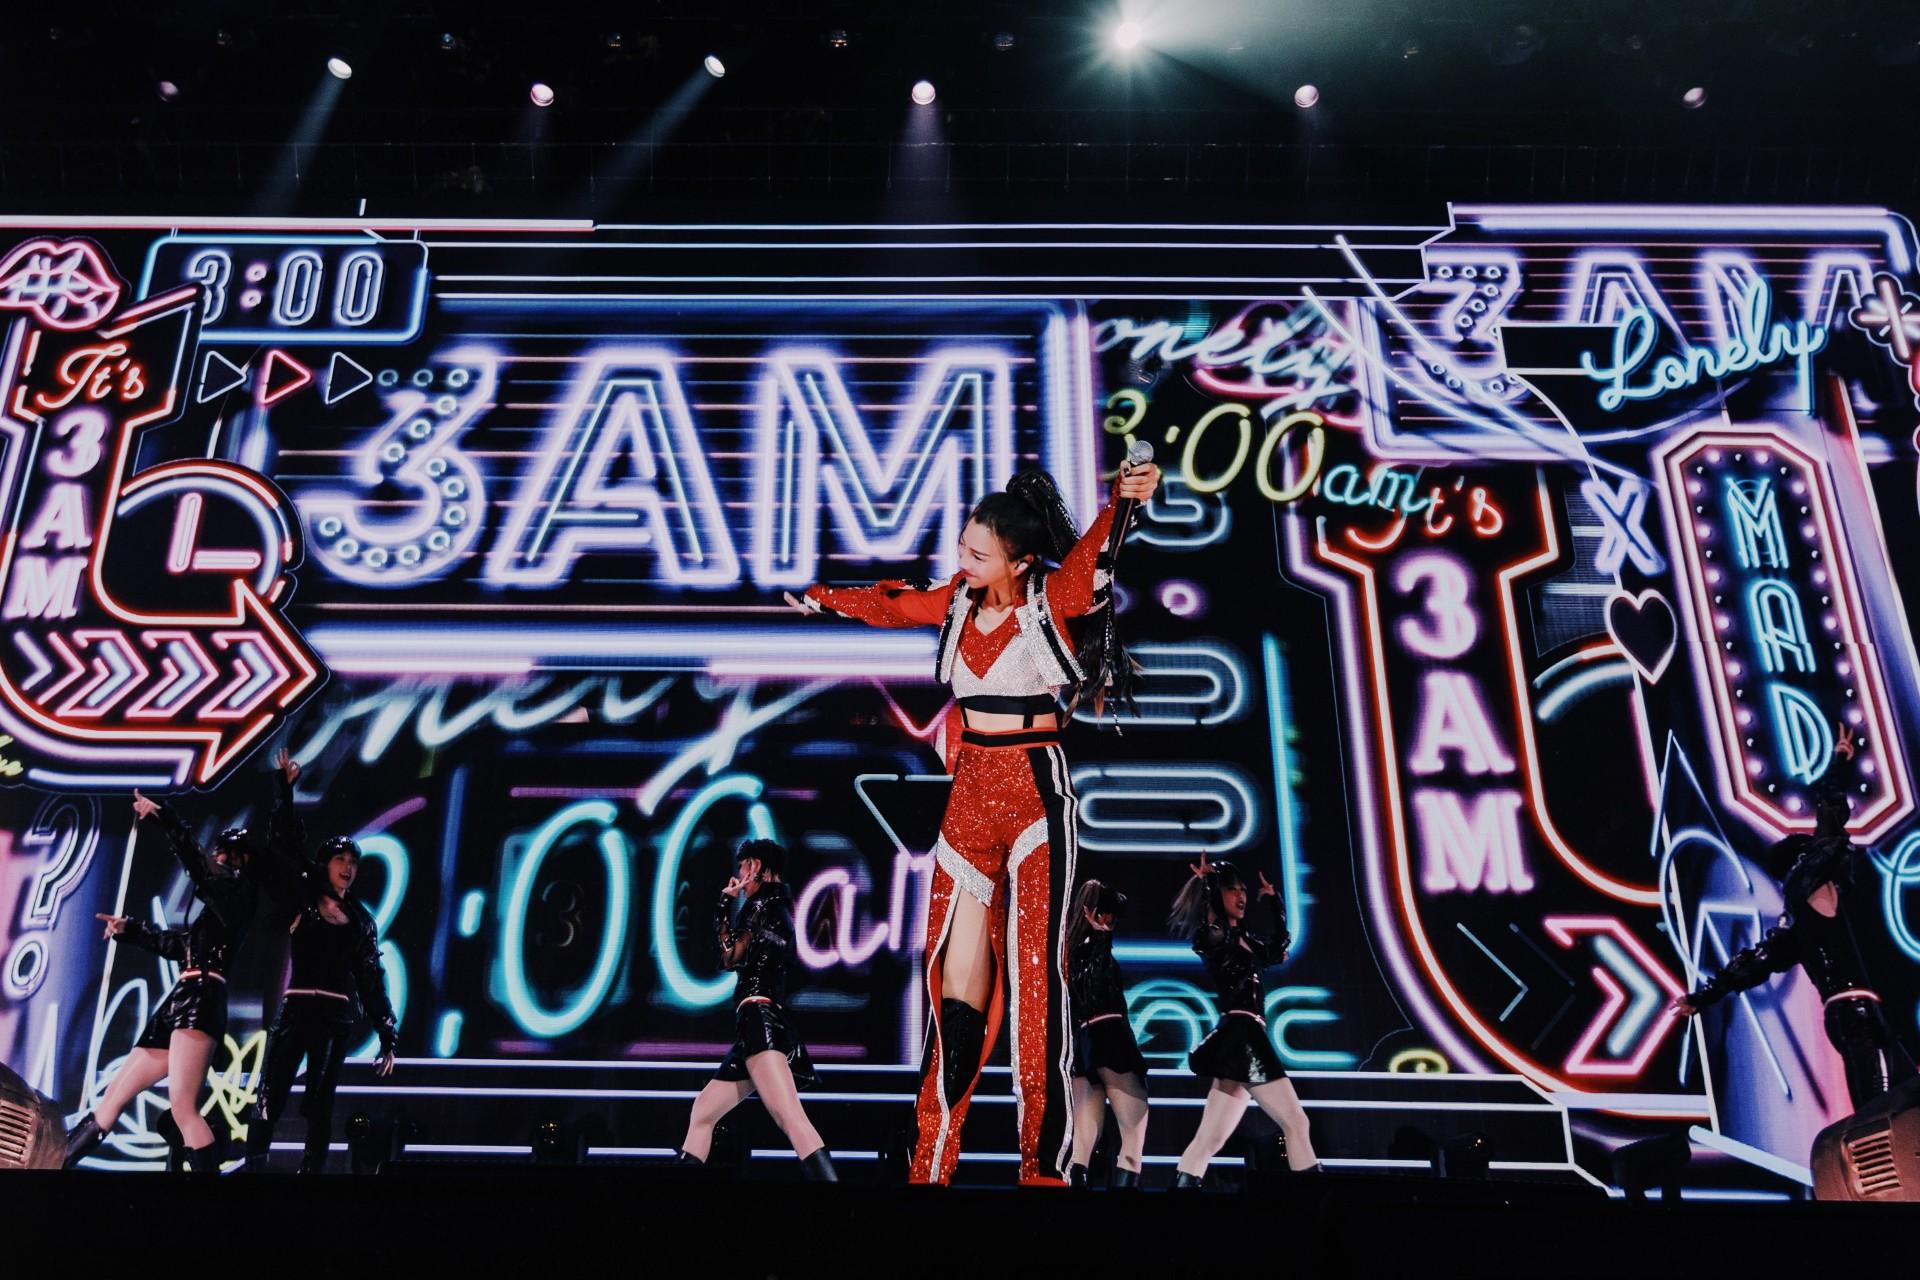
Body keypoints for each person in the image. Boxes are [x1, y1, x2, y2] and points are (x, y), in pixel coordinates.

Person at [791, 458, 1161, 1185]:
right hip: (968, 799)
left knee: (1036, 982)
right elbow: (895, 606)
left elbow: (1098, 550)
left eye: (978, 554)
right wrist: (823, 598)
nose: (963, 561)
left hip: (1035, 794)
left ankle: (1042, 1168)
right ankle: (930, 1164)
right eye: (962, 547)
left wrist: (1125, 497)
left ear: (1020, 561)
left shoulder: (1053, 600)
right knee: (954, 988)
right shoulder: (958, 602)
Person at [1667, 731, 1917, 1110]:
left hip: (1852, 1013)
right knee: (1883, 1112)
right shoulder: (1810, 881)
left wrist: (1703, 997)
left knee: (1895, 1107)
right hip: (1858, 1013)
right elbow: (1830, 827)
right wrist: (1838, 764)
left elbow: (1757, 961)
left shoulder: (1798, 922)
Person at [63, 791, 261, 1173]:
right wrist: (130, 931)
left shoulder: (238, 900)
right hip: (181, 997)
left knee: (183, 1106)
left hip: (202, 997)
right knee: (112, 1099)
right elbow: (179, 945)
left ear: (242, 862)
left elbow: (198, 868)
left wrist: (164, 818)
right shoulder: (214, 916)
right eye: (219, 853)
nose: (219, 859)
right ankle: (55, 1167)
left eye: (227, 854)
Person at [243, 748, 397, 1173]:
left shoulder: (361, 920)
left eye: (353, 862)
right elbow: (285, 845)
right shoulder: (305, 896)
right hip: (296, 1009)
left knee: (320, 1101)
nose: (347, 868)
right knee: (270, 1092)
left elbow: (371, 978)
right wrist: (284, 789)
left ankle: (311, 1173)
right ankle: (254, 1166)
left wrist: (387, 1031)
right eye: (339, 860)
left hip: (334, 1018)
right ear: (325, 865)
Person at [674, 839, 837, 1181]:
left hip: (758, 1020)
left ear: (757, 867)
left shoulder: (760, 905)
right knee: (704, 1111)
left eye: (744, 866)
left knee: (790, 1117)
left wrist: (724, 904)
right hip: (757, 1022)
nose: (740, 875)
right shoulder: (781, 908)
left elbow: (729, 956)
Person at [1168, 856, 1320, 1187]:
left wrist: (1275, 903)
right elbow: (1211, 932)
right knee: (1296, 1123)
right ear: (1217, 894)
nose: (1241, 896)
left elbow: (1278, 951)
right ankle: (1317, 1203)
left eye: (1243, 890)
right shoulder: (1212, 937)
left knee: (1209, 1139)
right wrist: (1209, 883)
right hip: (1243, 1034)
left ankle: (1181, 1195)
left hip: (1242, 1038)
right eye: (1232, 889)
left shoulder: (1247, 940)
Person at [1064, 879, 1149, 1189]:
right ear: (1100, 915)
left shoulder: (1069, 951)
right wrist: (1102, 939)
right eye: (1111, 915)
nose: (1113, 922)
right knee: (1133, 1137)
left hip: (1084, 1043)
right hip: (1110, 1037)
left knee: (1083, 1143)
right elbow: (1097, 985)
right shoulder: (1091, 949)